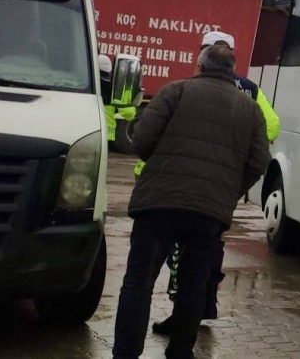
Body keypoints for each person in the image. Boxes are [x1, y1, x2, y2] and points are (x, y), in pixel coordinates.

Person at [113, 45, 270, 359]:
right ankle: (181, 351)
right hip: (208, 213)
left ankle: (126, 353)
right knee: (193, 283)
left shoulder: (175, 91)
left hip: (159, 203)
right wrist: (229, 191)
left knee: (139, 281)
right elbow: (259, 162)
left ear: (200, 65)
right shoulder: (251, 109)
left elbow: (142, 142)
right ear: (233, 71)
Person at [148, 30, 281, 335]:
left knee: (183, 255)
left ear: (202, 55)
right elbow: (272, 126)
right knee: (211, 247)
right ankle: (204, 306)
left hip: (185, 185)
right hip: (226, 185)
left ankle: (183, 316)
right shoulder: (249, 89)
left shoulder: (189, 87)